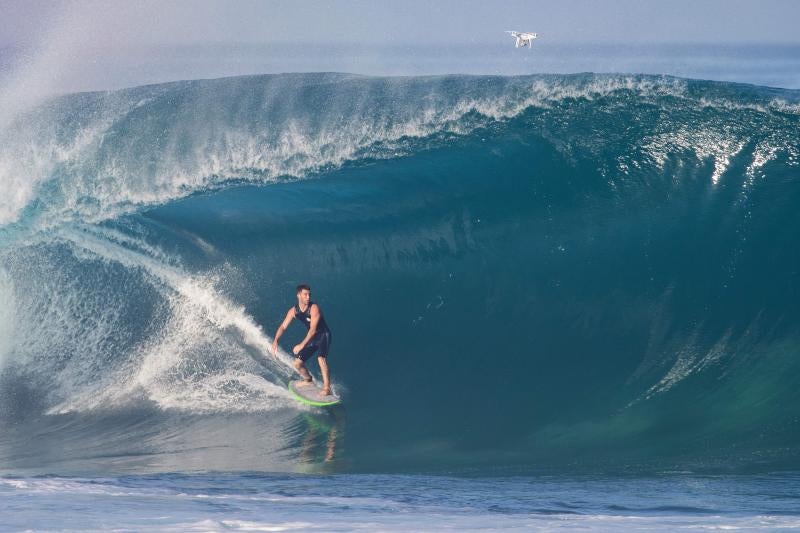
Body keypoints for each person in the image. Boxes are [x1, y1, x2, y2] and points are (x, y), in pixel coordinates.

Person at [272, 284, 333, 396]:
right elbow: (283, 327)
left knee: (321, 359)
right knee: (297, 363)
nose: (308, 297)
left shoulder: (314, 308)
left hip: (324, 335)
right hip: (313, 338)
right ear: (298, 295)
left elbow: (312, 330)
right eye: (305, 294)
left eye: (309, 294)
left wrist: (301, 345)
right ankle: (308, 380)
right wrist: (276, 340)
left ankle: (327, 388)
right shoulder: (294, 311)